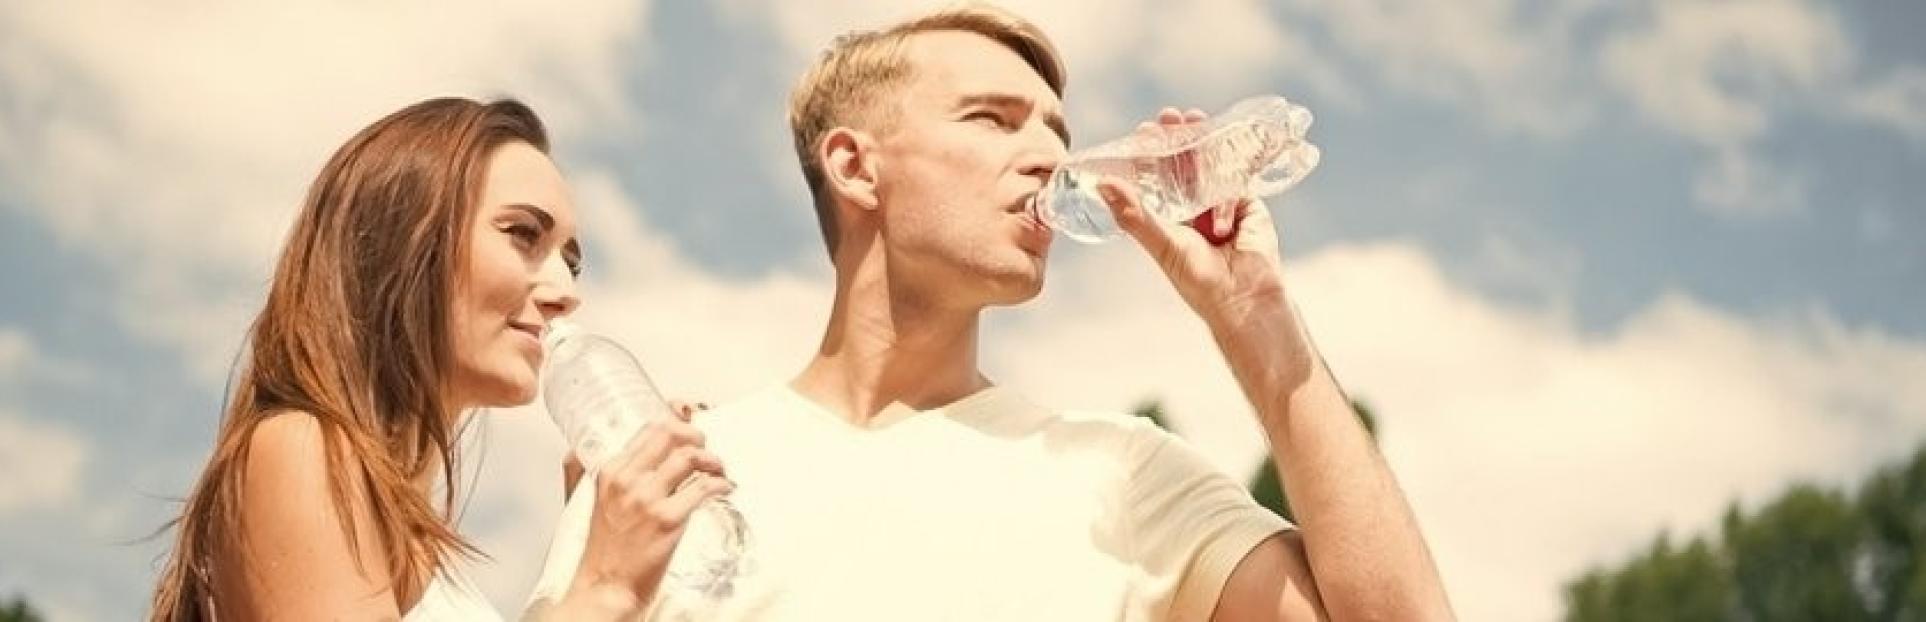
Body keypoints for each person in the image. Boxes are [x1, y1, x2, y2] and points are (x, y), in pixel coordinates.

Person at [529, 3, 1455, 620]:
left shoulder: (1121, 471)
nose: (1048, 157)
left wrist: (1255, 317)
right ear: (855, 166)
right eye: (992, 119)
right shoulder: (664, 475)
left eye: (1056, 130)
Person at [147, 98, 733, 620]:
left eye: (571, 262)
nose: (566, 289)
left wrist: (593, 545)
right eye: (523, 234)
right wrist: (603, 586)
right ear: (405, 239)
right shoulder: (303, 446)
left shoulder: (421, 545)